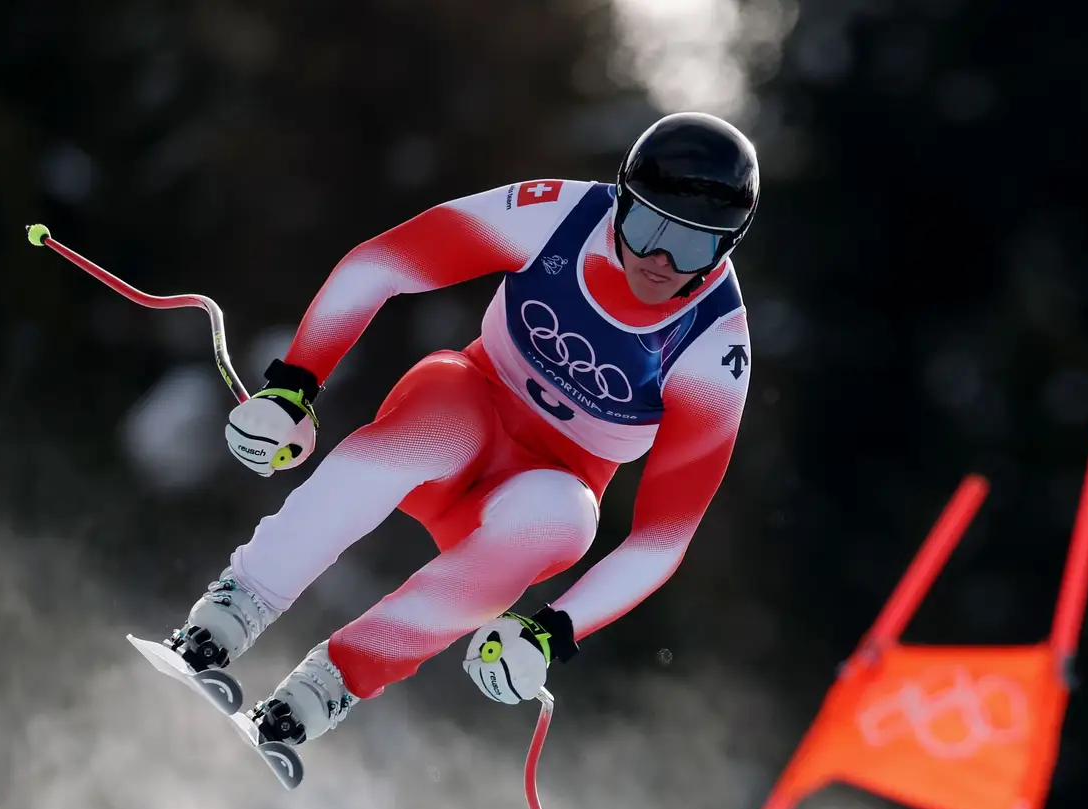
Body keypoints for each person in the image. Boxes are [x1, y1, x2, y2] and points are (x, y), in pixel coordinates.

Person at [167, 111, 759, 750]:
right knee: (432, 432)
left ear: (727, 246)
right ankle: (234, 608)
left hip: (545, 485)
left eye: (694, 245)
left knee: (566, 519)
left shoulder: (713, 346)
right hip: (469, 402)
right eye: (646, 228)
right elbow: (381, 264)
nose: (661, 260)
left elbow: (663, 539)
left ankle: (329, 685)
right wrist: (293, 385)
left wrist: (551, 633)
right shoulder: (560, 215)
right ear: (619, 201)